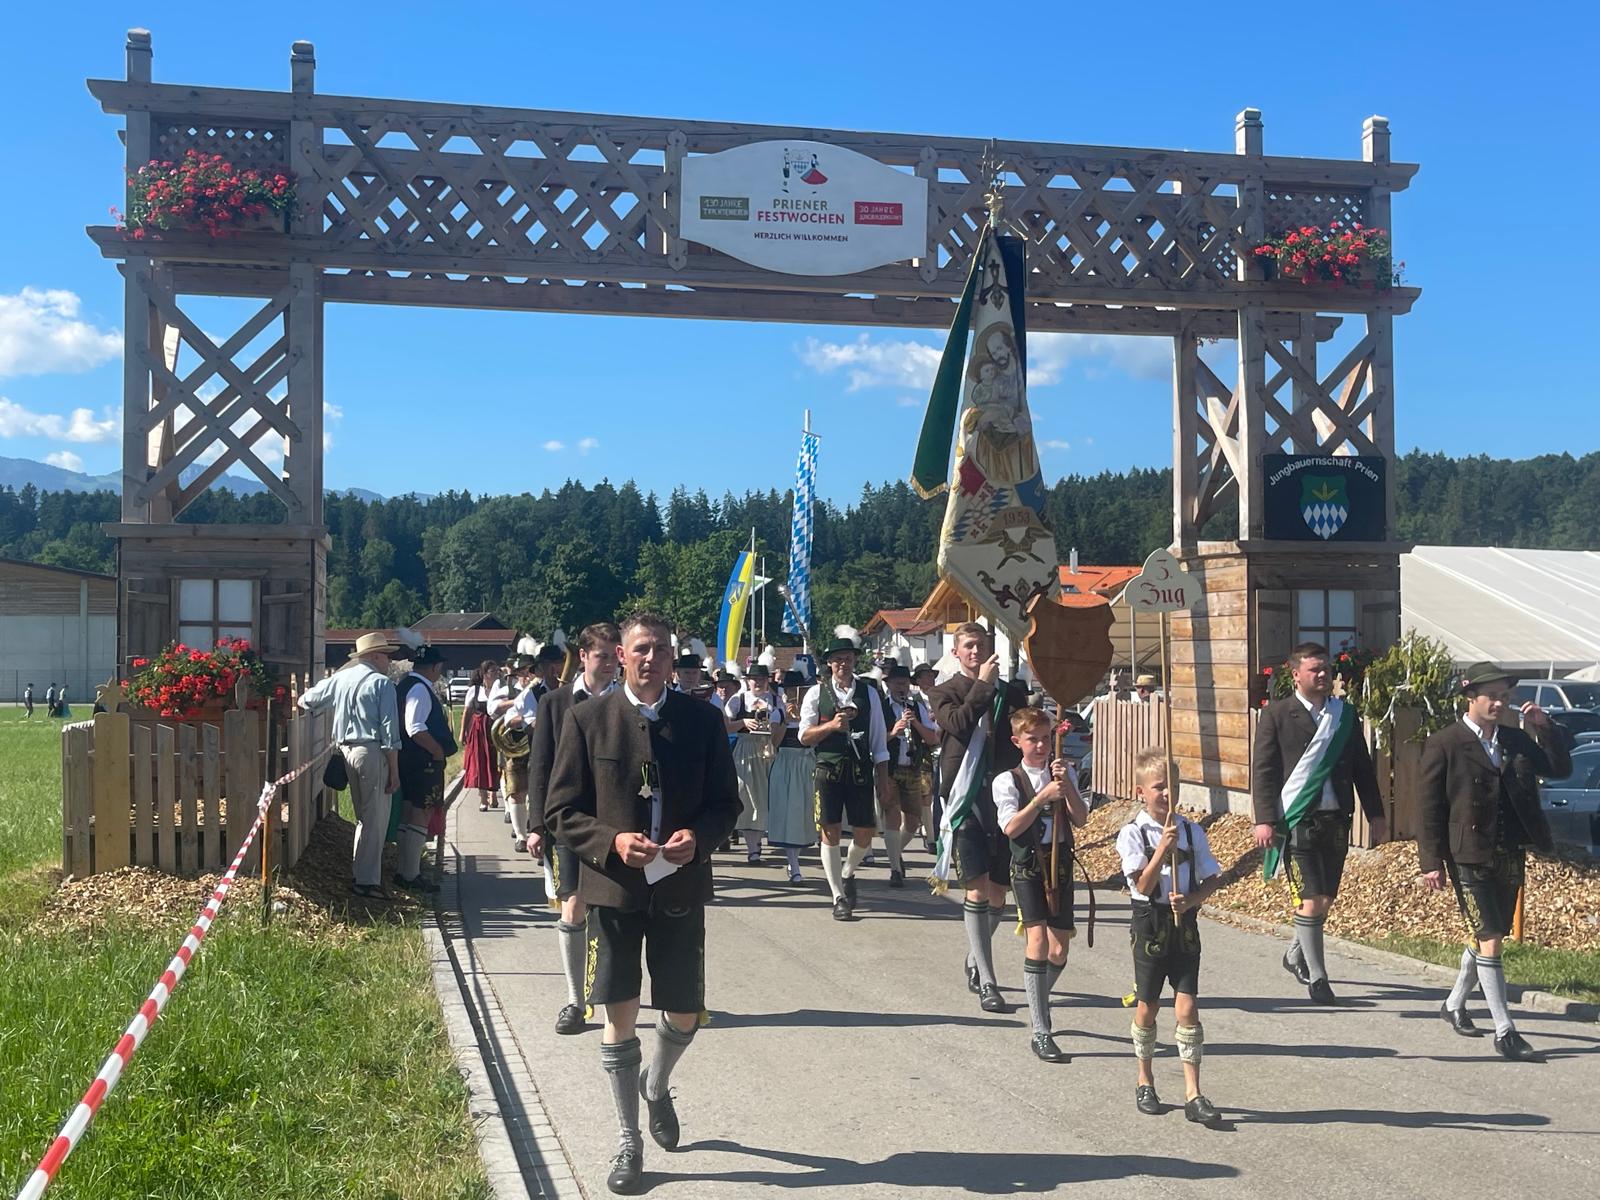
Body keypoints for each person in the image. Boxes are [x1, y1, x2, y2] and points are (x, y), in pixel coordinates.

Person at [545, 612, 741, 1195]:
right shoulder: (587, 719)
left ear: (672, 658)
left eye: (659, 649)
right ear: (621, 657)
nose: (650, 658)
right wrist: (611, 842)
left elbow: (726, 804)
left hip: (680, 887)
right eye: (640, 649)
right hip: (614, 890)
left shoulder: (702, 721)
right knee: (619, 1015)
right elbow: (561, 810)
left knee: (683, 1014)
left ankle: (655, 1085)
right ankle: (628, 1141)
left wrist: (698, 839)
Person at [1419, 662, 1570, 1062]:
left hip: (1509, 849)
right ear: (1471, 697)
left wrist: (1545, 729)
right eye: (1492, 696)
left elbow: (1559, 768)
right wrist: (1430, 860)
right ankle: (1505, 1031)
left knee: (1491, 933)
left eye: (1505, 696)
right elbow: (1429, 808)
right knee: (1490, 937)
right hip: (1466, 853)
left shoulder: (1515, 739)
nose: (1500, 703)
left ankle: (1454, 1003)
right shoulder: (1445, 743)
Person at [1251, 642, 1385, 1004]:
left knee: (1324, 899)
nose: (1323, 674)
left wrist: (1376, 813)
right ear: (1296, 675)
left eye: (1326, 668)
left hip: (1336, 818)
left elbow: (1362, 768)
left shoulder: (1344, 715)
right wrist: (1264, 819)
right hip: (1297, 820)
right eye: (1315, 669)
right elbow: (1263, 771)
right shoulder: (1277, 715)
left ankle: (1295, 954)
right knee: (1309, 899)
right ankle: (1318, 978)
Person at [1118, 747, 1223, 1123]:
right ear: (1141, 792)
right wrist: (1162, 848)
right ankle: (1144, 1079)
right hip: (1150, 925)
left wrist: (1191, 899)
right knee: (1148, 1007)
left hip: (1184, 925)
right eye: (1159, 787)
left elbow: (1212, 878)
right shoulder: (1132, 834)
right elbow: (1142, 886)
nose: (1166, 793)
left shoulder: (1192, 831)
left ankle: (1194, 1093)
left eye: (1172, 786)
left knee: (1188, 1007)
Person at [527, 621, 620, 1036]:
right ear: (582, 656)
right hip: (567, 821)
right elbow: (540, 765)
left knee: (613, 909)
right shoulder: (555, 703)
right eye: (602, 656)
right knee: (573, 905)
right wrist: (536, 825)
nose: (610, 664)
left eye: (615, 656)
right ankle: (575, 1001)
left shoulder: (626, 700)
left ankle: (611, 989)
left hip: (617, 823)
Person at [931, 622, 1027, 1013]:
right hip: (964, 799)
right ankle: (988, 981)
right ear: (956, 652)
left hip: (1003, 799)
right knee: (976, 889)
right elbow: (958, 724)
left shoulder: (1012, 693)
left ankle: (975, 957)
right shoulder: (943, 692)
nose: (976, 651)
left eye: (981, 645)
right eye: (969, 646)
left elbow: (1025, 737)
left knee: (999, 892)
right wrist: (984, 685)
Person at [994, 706, 1086, 1062]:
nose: (1041, 746)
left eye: (1046, 738)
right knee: (1037, 940)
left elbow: (1081, 818)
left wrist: (1066, 787)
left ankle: (1038, 1000)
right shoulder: (1007, 780)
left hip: (1060, 862)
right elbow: (1011, 827)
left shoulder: (1063, 772)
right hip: (1028, 865)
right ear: (1017, 741)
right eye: (1033, 739)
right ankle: (1040, 1029)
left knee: (1059, 950)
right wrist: (1041, 797)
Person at [298, 631, 402, 899]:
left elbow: (307, 699)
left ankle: (362, 873)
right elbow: (389, 733)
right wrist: (394, 770)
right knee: (374, 818)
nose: (389, 660)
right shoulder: (383, 684)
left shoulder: (341, 678)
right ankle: (366, 881)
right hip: (371, 751)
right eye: (386, 655)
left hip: (344, 751)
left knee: (363, 817)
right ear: (375, 656)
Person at [799, 626, 890, 921]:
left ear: (854, 661)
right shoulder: (817, 693)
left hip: (861, 770)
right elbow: (804, 736)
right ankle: (838, 895)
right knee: (830, 831)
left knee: (865, 834)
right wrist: (831, 726)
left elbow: (879, 740)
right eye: (838, 659)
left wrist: (883, 778)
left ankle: (848, 872)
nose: (843, 664)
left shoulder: (869, 693)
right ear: (829, 663)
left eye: (848, 658)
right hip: (828, 769)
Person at [393, 644, 458, 892]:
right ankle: (410, 874)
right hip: (423, 762)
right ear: (434, 666)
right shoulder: (420, 689)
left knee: (409, 812)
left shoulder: (406, 684)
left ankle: (405, 870)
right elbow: (415, 727)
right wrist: (437, 750)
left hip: (409, 760)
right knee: (421, 813)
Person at [882, 663, 939, 886]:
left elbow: (932, 739)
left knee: (913, 822)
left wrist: (914, 721)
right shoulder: (881, 706)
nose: (901, 688)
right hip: (889, 768)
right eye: (897, 683)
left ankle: (895, 854)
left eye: (905, 684)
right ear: (889, 685)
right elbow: (874, 739)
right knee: (893, 816)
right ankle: (895, 870)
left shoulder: (917, 707)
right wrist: (893, 732)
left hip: (912, 767)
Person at [724, 664, 785, 864]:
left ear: (767, 681)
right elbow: (725, 727)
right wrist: (743, 723)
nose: (758, 682)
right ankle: (752, 847)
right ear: (748, 681)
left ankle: (759, 843)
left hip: (768, 749)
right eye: (754, 679)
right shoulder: (738, 699)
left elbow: (785, 724)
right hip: (746, 748)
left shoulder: (776, 700)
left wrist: (774, 739)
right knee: (747, 795)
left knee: (765, 797)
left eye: (762, 679)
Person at [766, 669, 817, 884]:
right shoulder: (778, 713)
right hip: (786, 763)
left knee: (805, 813)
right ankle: (794, 865)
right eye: (790, 690)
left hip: (807, 763)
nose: (795, 694)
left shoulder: (811, 713)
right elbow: (773, 743)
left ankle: (796, 860)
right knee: (789, 814)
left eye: (800, 690)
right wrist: (786, 720)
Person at [501, 657, 542, 849]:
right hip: (517, 747)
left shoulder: (541, 690)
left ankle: (534, 830)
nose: (527, 676)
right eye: (523, 672)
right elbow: (503, 716)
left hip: (538, 747)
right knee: (516, 790)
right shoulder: (513, 692)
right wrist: (527, 718)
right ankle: (520, 836)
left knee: (535, 792)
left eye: (529, 672)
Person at [460, 660, 503, 812]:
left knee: (496, 762)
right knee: (480, 763)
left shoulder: (501, 690)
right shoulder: (475, 690)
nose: (496, 674)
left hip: (496, 729)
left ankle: (494, 794)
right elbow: (467, 711)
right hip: (479, 730)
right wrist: (463, 733)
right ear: (485, 674)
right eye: (493, 671)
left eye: (497, 671)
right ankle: (483, 798)